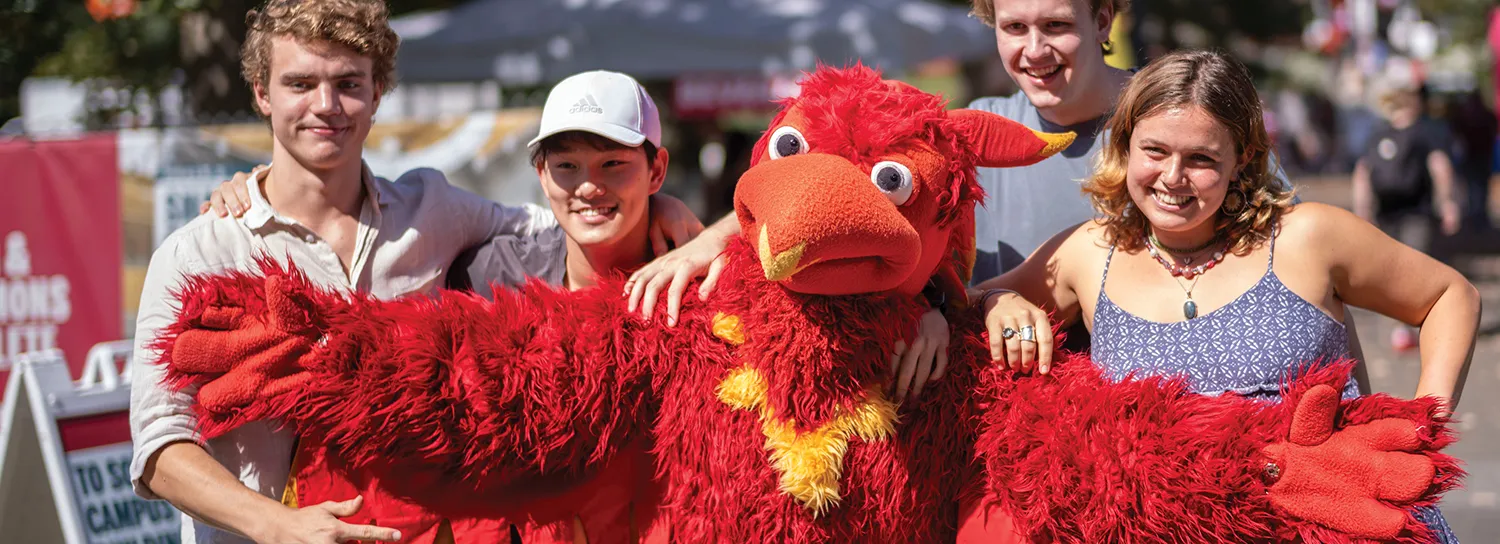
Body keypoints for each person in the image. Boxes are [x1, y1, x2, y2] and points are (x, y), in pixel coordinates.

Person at [971, 49, 1476, 542]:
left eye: (1201, 158)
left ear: (1243, 159)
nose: (1172, 177)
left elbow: (1449, 296)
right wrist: (1002, 301)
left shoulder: (1308, 237)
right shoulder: (1089, 252)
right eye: (1154, 151)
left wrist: (1418, 433)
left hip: (1345, 524)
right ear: (1125, 147)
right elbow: (958, 305)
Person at [126, 2, 550, 542]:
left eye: (348, 83)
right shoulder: (202, 251)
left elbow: (566, 230)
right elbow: (159, 444)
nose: (325, 106)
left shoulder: (432, 211)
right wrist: (277, 525)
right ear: (262, 93)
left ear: (378, 92)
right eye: (300, 83)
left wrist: (677, 223)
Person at [1352, 79, 1463, 352]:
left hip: (1385, 212)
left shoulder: (1378, 133)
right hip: (1418, 212)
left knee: (1391, 271)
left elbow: (1362, 173)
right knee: (1416, 269)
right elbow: (1440, 168)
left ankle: (1400, 328)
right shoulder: (1427, 132)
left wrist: (1362, 209)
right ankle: (1413, 326)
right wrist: (1448, 202)